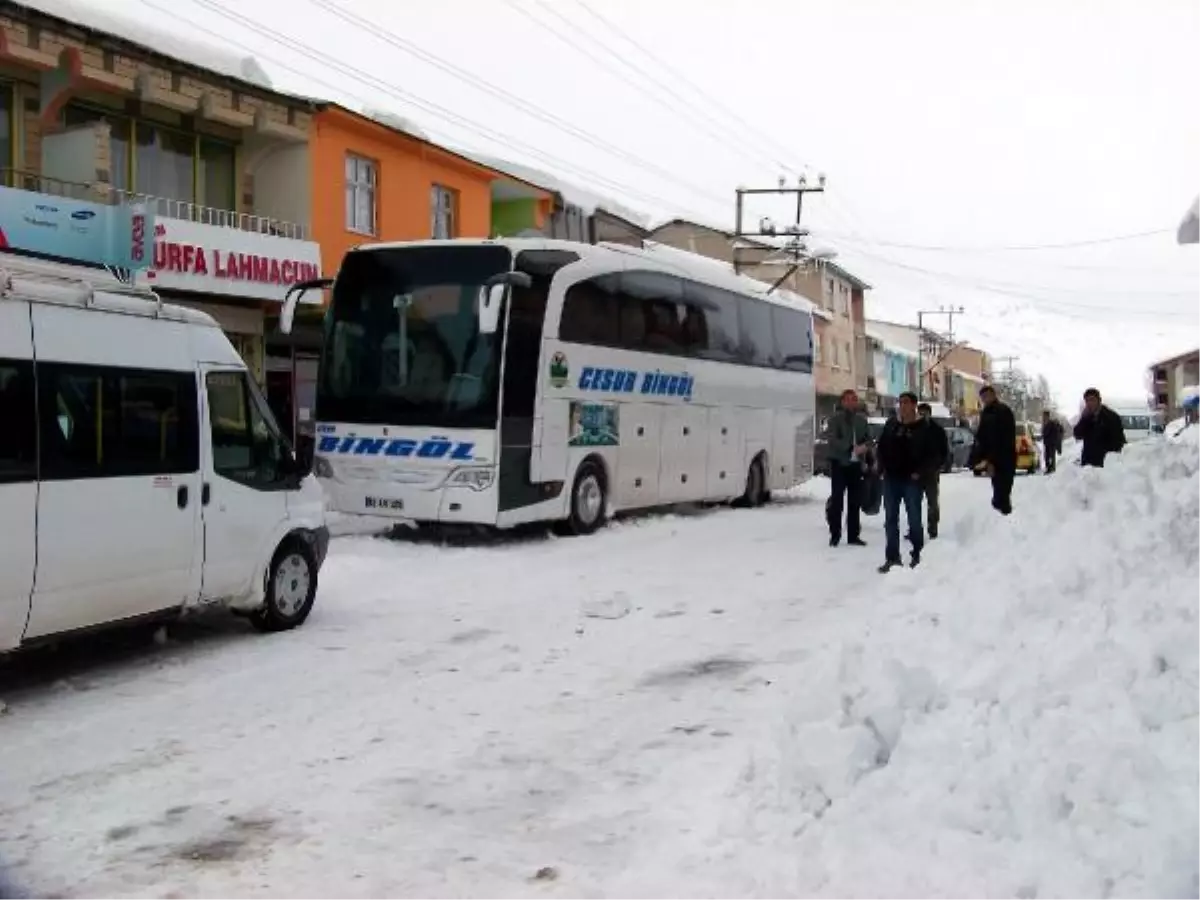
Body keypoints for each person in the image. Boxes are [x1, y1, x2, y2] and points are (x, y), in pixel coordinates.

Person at [876, 392, 939, 572]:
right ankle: (892, 558)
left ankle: (918, 555)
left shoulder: (924, 428)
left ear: (914, 405)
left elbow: (933, 456)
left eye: (905, 402)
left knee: (914, 518)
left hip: (912, 480)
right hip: (891, 479)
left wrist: (920, 472)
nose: (902, 406)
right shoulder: (891, 425)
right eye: (900, 402)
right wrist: (881, 468)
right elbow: (881, 448)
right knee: (890, 520)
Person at [825, 389, 871, 547]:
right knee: (837, 500)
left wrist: (865, 447)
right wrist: (850, 447)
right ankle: (835, 534)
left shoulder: (862, 421)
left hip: (856, 465)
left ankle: (853, 535)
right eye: (848, 399)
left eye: (854, 399)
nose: (851, 402)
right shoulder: (835, 420)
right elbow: (832, 439)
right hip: (839, 463)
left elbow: (869, 439)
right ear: (842, 402)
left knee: (855, 501)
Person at [970, 385, 1017, 515]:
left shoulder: (1003, 411)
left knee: (1003, 490)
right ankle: (1002, 516)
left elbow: (1006, 437)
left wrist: (991, 458)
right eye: (982, 397)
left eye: (986, 396)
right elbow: (982, 436)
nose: (984, 399)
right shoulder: (985, 413)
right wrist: (980, 457)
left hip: (1005, 457)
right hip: (992, 458)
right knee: (997, 488)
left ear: (993, 395)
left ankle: (1006, 517)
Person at [916, 402, 949, 539]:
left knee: (932, 502)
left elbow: (944, 450)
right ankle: (915, 527)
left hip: (931, 471)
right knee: (914, 502)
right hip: (915, 472)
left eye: (925, 413)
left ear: (929, 414)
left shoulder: (937, 430)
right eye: (921, 413)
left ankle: (933, 527)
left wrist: (938, 465)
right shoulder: (912, 428)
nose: (923, 415)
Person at [1072, 388, 1126, 467]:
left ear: (1099, 400)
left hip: (1105, 465)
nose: (1089, 403)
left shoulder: (1111, 417)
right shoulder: (1087, 417)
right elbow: (1077, 434)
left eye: (1092, 400)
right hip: (1088, 465)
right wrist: (1084, 419)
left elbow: (1118, 442)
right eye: (1087, 401)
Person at [1041, 410, 1064, 474]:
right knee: (1046, 456)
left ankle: (1052, 468)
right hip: (1047, 443)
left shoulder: (1051, 423)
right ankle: (1048, 468)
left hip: (1051, 443)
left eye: (1044, 416)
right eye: (1043, 416)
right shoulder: (1045, 423)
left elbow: (1055, 433)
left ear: (1047, 416)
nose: (1043, 417)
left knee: (1051, 456)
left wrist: (1055, 441)